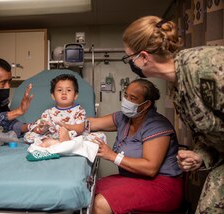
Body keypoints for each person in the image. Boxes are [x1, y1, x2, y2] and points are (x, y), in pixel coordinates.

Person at [122, 15, 224, 214]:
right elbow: (211, 136)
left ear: (143, 57)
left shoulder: (205, 66)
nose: (131, 64)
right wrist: (199, 156)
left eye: (129, 58)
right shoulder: (177, 89)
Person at [89, 79, 182, 214]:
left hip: (162, 185)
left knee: (100, 203)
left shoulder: (157, 125)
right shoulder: (124, 118)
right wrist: (61, 123)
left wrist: (112, 156)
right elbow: (92, 124)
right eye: (126, 95)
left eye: (133, 98)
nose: (127, 101)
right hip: (132, 179)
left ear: (146, 105)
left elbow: (150, 168)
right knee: (88, 189)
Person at [24, 73, 105, 147]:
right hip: (54, 136)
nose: (64, 93)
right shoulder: (48, 112)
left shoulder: (79, 110)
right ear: (53, 96)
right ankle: (54, 142)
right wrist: (42, 126)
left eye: (68, 90)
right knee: (28, 135)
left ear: (75, 95)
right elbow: (44, 129)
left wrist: (65, 126)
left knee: (100, 136)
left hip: (73, 137)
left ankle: (63, 142)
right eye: (59, 90)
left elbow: (80, 129)